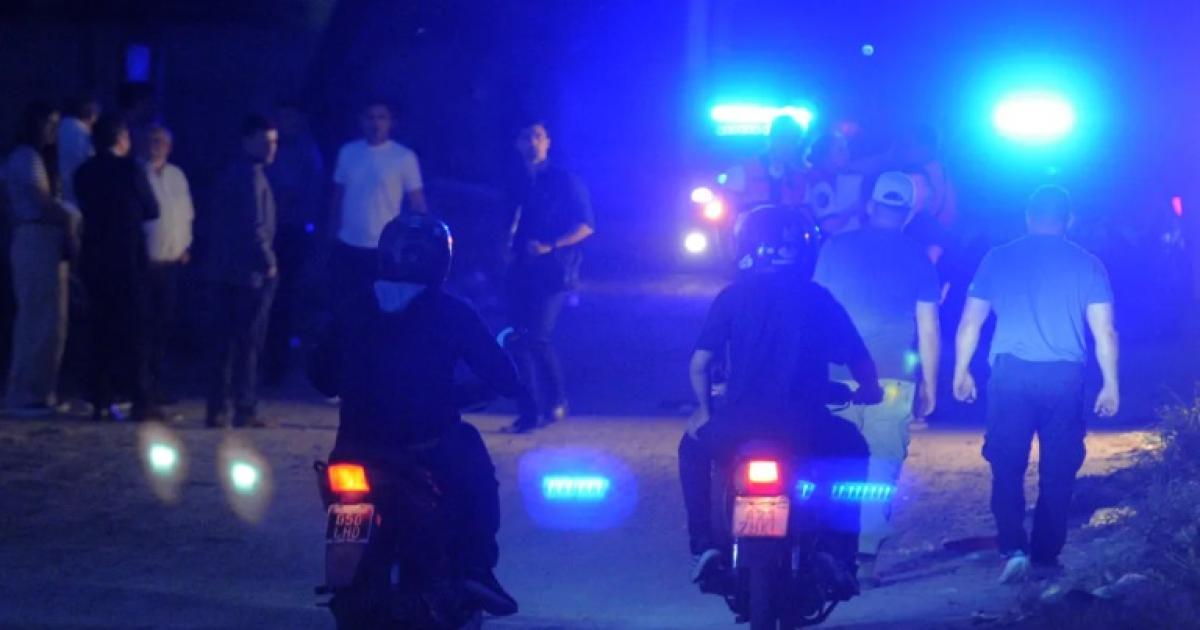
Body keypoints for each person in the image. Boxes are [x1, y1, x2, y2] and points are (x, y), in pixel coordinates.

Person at [309, 214, 527, 617]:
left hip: (354, 449)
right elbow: (505, 379)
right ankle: (477, 568)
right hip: (426, 448)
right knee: (474, 461)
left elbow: (322, 379)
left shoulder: (351, 307)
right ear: (441, 260)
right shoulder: (453, 312)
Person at [680, 205, 883, 590]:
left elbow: (700, 364)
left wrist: (704, 411)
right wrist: (869, 391)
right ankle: (838, 553)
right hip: (807, 425)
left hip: (739, 423)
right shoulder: (819, 299)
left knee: (692, 450)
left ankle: (704, 545)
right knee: (853, 450)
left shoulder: (732, 297)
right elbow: (860, 361)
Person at [953, 185, 1119, 583]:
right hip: (1064, 376)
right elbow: (1105, 332)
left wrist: (961, 370)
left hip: (1011, 375)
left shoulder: (998, 258)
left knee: (1006, 464)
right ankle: (1046, 554)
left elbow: (970, 322)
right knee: (1059, 468)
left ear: (1028, 217)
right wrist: (1111, 384)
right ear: (1069, 220)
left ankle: (1013, 547)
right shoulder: (1088, 264)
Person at [812, 172, 942, 586]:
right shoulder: (918, 257)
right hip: (892, 380)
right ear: (909, 214)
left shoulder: (835, 248)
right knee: (881, 467)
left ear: (870, 206)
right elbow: (928, 328)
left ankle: (828, 551)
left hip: (836, 375)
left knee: (833, 462)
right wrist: (930, 384)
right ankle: (865, 558)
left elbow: (813, 312)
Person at [503, 121, 595, 433]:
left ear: (547, 142)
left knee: (538, 337)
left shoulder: (564, 180)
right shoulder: (514, 180)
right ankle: (529, 411)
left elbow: (586, 225)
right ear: (517, 143)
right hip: (519, 268)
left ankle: (555, 401)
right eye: (526, 136)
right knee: (518, 338)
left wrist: (551, 245)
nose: (532, 142)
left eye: (538, 136)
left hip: (554, 270)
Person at [74, 115, 162, 422]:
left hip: (95, 257)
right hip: (127, 258)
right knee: (135, 329)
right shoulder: (130, 169)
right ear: (121, 138)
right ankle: (140, 397)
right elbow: (152, 209)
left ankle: (100, 395)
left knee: (99, 328)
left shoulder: (84, 172)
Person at [204, 115, 279, 428]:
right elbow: (254, 224)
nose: (271, 148)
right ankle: (244, 406)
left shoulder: (231, 172)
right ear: (248, 140)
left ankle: (217, 407)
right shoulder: (250, 176)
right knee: (248, 341)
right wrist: (268, 261)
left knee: (223, 342)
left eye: (274, 142)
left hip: (224, 270)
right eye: (265, 141)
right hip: (248, 273)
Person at [3, 102, 75, 416]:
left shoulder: (40, 158)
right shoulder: (25, 157)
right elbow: (40, 201)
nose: (53, 131)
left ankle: (42, 390)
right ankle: (25, 393)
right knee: (37, 318)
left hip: (46, 239)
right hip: (35, 236)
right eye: (49, 124)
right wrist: (70, 217)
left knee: (53, 320)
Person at [329, 99, 427, 309]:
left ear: (390, 122)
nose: (376, 123)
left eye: (381, 117)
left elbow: (417, 204)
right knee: (344, 303)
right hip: (348, 243)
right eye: (370, 117)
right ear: (361, 121)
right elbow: (337, 198)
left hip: (383, 247)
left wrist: (415, 242)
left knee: (377, 306)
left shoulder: (404, 157)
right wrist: (330, 235)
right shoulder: (348, 152)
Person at [264, 101, 325, 384]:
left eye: (291, 118)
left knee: (286, 297)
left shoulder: (307, 152)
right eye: (281, 117)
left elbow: (309, 193)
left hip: (293, 232)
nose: (285, 123)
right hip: (266, 231)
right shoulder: (269, 150)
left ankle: (277, 363)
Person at [140, 124, 194, 405]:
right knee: (143, 326)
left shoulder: (177, 175)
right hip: (145, 262)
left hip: (172, 262)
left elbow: (186, 213)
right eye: (152, 140)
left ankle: (157, 383)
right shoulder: (138, 173)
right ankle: (140, 385)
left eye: (161, 141)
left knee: (163, 325)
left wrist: (186, 244)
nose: (156, 145)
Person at [722, 115, 808, 212]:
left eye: (793, 140)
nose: (787, 145)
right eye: (782, 138)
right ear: (771, 138)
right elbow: (727, 213)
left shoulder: (800, 178)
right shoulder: (741, 171)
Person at [57, 94, 100, 206]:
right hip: (82, 200)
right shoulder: (83, 135)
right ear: (92, 115)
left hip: (64, 199)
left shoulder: (59, 129)